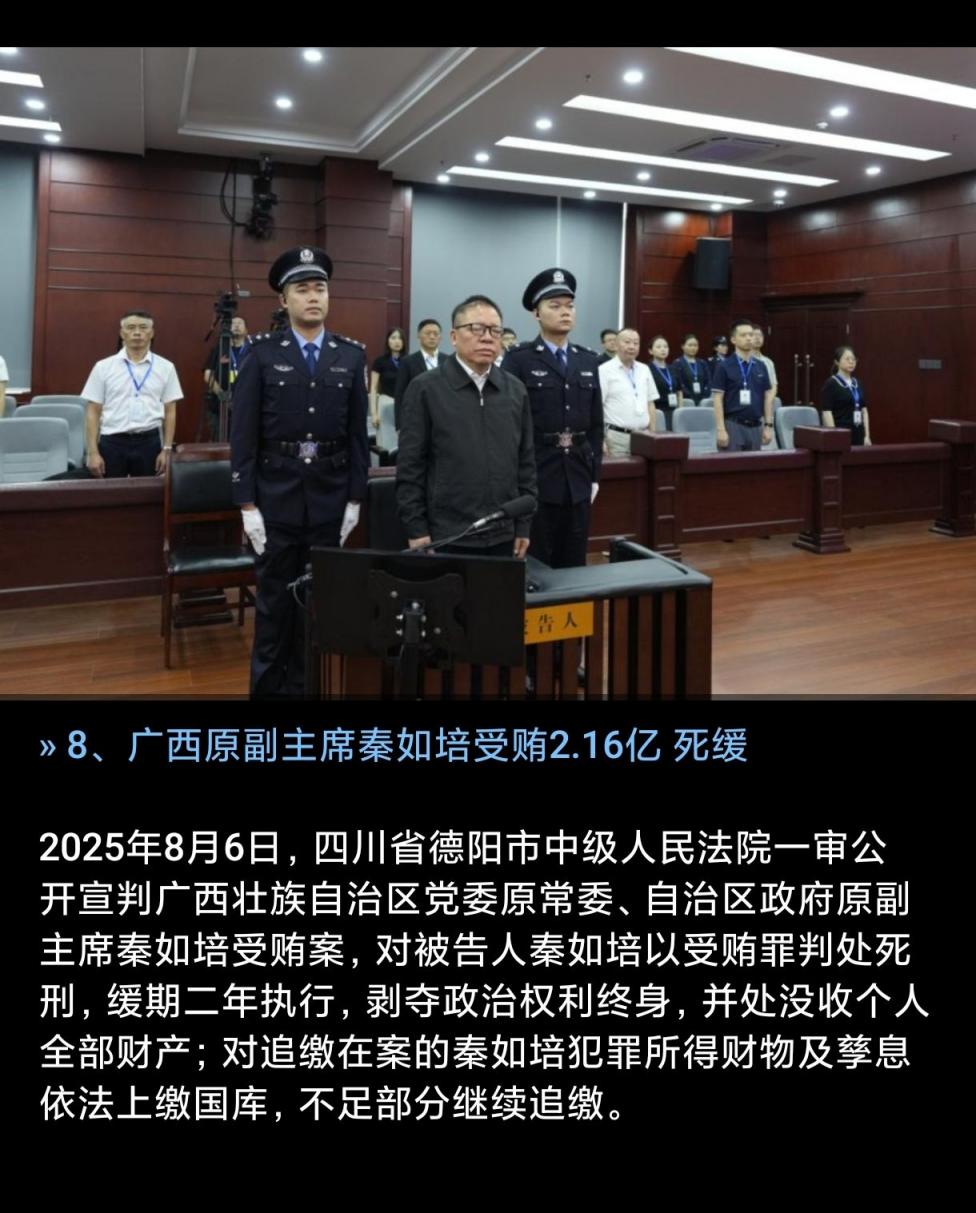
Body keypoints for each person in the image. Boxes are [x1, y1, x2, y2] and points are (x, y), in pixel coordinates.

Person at [230, 246, 368, 698]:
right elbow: (243, 434)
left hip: (330, 498)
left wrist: (355, 498)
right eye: (303, 289)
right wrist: (246, 504)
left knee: (317, 604)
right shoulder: (261, 353)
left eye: (320, 288)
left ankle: (307, 689)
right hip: (275, 499)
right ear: (284, 300)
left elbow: (357, 435)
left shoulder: (350, 355)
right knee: (273, 604)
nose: (313, 297)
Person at [396, 294, 536, 557]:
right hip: (447, 534)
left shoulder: (515, 390)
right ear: (453, 336)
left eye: (495, 330)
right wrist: (416, 528)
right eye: (476, 329)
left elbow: (526, 462)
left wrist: (523, 525)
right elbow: (410, 466)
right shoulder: (426, 388)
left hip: (504, 531)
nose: (487, 337)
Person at [502, 268, 603, 568]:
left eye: (570, 306)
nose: (565, 312)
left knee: (574, 562)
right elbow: (508, 425)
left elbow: (596, 423)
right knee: (537, 565)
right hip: (537, 476)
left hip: (578, 476)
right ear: (536, 314)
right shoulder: (519, 359)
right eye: (555, 306)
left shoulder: (588, 359)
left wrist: (594, 474)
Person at [82, 310, 183, 478]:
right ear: (122, 333)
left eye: (143, 327)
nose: (137, 332)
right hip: (112, 441)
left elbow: (170, 410)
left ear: (152, 333)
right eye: (130, 328)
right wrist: (92, 452)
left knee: (147, 492)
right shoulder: (103, 367)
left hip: (149, 442)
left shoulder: (166, 367)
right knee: (111, 491)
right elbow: (93, 411)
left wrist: (166, 449)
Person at [711, 319, 774, 451]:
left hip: (756, 426)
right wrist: (721, 429)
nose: (749, 338)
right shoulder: (724, 366)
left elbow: (768, 397)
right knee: (732, 463)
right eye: (743, 335)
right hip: (733, 425)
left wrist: (768, 426)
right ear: (733, 340)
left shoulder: (761, 366)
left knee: (755, 464)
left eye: (751, 335)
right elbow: (717, 399)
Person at [599, 327, 658, 455]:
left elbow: (650, 403)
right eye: (627, 342)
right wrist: (600, 439)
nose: (632, 346)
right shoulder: (604, 370)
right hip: (617, 438)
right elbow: (597, 407)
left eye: (636, 343)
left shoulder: (644, 369)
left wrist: (653, 433)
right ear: (616, 344)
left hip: (644, 436)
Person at [202, 315, 253, 440]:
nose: (236, 325)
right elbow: (208, 374)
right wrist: (221, 394)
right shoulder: (220, 348)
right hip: (220, 407)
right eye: (233, 323)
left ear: (246, 330)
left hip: (246, 405)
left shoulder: (253, 351)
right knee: (219, 442)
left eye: (240, 323)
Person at [393, 318, 448, 429]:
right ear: (418, 336)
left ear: (440, 337)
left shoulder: (448, 361)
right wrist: (399, 424)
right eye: (428, 333)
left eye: (436, 334)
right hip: (416, 418)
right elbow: (400, 394)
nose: (432, 337)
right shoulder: (408, 361)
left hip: (443, 418)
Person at [821, 345, 872, 446]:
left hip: (858, 433)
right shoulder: (831, 383)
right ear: (837, 362)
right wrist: (834, 437)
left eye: (853, 359)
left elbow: (864, 411)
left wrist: (867, 436)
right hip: (841, 434)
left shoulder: (857, 383)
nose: (851, 362)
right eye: (847, 359)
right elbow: (827, 412)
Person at [369, 327, 406, 431]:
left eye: (400, 338)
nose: (397, 341)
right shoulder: (380, 362)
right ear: (387, 341)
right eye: (393, 338)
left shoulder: (409, 361)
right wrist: (373, 413)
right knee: (385, 437)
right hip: (385, 404)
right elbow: (373, 388)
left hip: (404, 407)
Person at [649, 335, 682, 430]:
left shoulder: (673, 368)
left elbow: (679, 391)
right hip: (657, 411)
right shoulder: (647, 369)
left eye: (665, 346)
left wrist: (680, 410)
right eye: (658, 347)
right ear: (650, 351)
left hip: (674, 411)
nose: (663, 349)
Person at [671, 333, 711, 406]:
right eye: (690, 345)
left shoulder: (702, 363)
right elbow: (679, 384)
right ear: (682, 346)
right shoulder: (677, 363)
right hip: (686, 400)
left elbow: (708, 382)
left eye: (695, 345)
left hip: (703, 400)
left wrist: (704, 396)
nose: (693, 348)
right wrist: (690, 397)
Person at [751, 325, 778, 398]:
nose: (757, 338)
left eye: (760, 335)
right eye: (754, 335)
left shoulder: (768, 362)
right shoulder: (743, 360)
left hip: (766, 399)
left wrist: (768, 401)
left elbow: (773, 386)